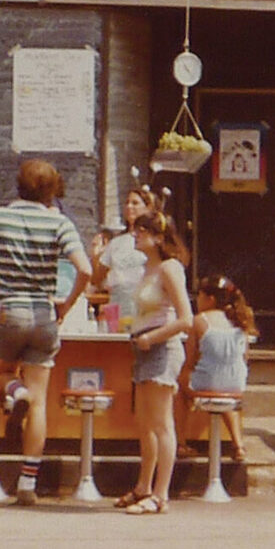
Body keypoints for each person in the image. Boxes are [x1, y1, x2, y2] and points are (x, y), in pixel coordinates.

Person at [0, 159, 91, 506]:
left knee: (2, 371)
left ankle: (15, 391)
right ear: (51, 189)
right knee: (41, 400)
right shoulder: (60, 223)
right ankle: (28, 483)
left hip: (10, 308)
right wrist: (66, 304)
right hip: (45, 312)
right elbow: (85, 269)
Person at [118, 212, 193, 516]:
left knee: (162, 423)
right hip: (144, 347)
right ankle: (143, 486)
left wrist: (152, 337)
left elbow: (186, 319)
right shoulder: (147, 268)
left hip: (162, 348)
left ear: (159, 237)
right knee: (145, 423)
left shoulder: (169, 268)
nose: (135, 234)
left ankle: (161, 494)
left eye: (142, 230)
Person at [185, 273, 256, 461]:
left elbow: (189, 360)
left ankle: (180, 442)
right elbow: (244, 357)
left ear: (210, 299)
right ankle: (238, 444)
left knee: (177, 388)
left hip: (208, 385)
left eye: (199, 295)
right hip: (236, 385)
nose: (196, 300)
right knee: (224, 391)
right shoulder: (240, 320)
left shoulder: (199, 320)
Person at [89, 188, 156, 330]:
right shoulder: (116, 242)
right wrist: (95, 256)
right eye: (127, 203)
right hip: (117, 305)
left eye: (135, 203)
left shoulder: (152, 241)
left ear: (148, 207)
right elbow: (97, 279)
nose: (129, 207)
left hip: (144, 305)